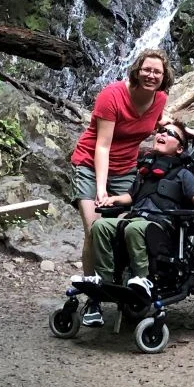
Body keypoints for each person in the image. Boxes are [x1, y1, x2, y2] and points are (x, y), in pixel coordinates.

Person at [75, 122, 194, 327]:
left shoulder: (183, 174)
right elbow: (130, 197)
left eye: (170, 134)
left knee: (133, 228)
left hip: (162, 226)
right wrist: (113, 200)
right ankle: (104, 279)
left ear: (180, 149)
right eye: (161, 131)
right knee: (100, 226)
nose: (162, 134)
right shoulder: (145, 171)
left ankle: (143, 278)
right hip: (137, 217)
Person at [70, 49, 172, 325]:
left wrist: (186, 131)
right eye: (147, 70)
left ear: (164, 77)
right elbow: (101, 146)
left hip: (127, 168)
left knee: (124, 227)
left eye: (157, 72)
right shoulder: (112, 96)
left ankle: (124, 284)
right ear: (137, 70)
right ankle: (93, 298)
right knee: (94, 229)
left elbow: (157, 121)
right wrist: (101, 190)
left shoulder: (159, 99)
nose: (151, 75)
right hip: (91, 165)